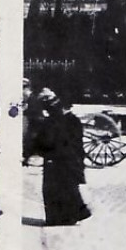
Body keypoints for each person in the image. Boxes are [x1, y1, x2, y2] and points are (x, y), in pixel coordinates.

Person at [36, 93, 91, 227]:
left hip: (58, 160)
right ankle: (71, 215)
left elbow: (47, 142)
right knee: (68, 188)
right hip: (70, 160)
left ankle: (58, 217)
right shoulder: (73, 120)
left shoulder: (54, 122)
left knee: (55, 189)